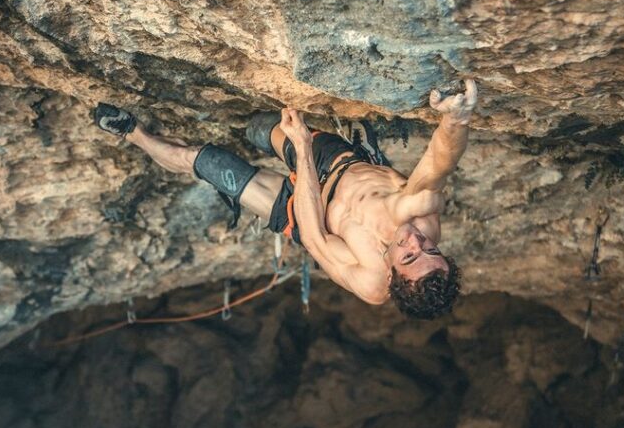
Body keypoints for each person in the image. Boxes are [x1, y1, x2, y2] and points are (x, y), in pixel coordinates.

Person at [92, 79, 477, 319]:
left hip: (304, 214)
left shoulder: (372, 283)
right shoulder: (416, 214)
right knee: (257, 128)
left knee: (209, 163)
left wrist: (300, 148)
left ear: (392, 275)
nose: (415, 240)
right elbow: (438, 164)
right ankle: (267, 137)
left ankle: (134, 134)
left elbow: (314, 237)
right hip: (335, 165)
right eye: (430, 249)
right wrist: (455, 119)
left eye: (410, 255)